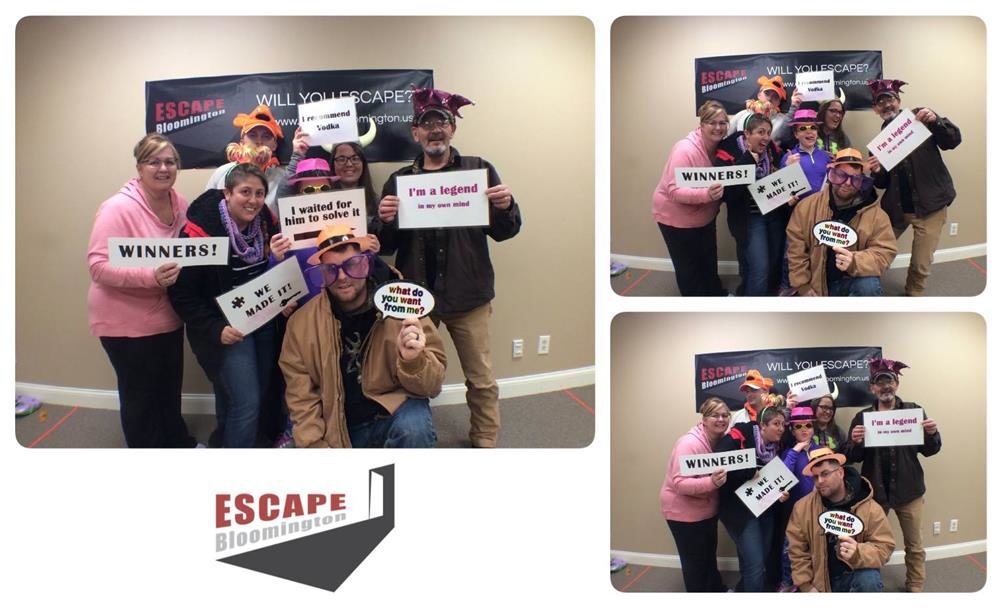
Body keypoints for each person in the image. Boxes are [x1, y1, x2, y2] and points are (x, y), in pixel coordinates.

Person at [374, 86, 521, 448]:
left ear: (452, 128)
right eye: (427, 124)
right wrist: (384, 221)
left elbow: (505, 232)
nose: (435, 129)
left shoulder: (479, 170)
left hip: (468, 294)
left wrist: (506, 207)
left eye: (442, 122)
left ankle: (485, 437)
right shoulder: (399, 181)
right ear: (416, 133)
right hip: (417, 299)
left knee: (480, 377)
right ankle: (415, 435)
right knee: (410, 368)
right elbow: (387, 246)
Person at [279, 224, 445, 448]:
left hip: (392, 414)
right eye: (331, 269)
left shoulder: (403, 305)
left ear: (366, 264)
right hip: (341, 426)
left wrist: (413, 362)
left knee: (414, 427)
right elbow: (301, 399)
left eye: (351, 265)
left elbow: (432, 387)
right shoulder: (301, 325)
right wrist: (315, 445)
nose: (342, 277)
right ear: (322, 273)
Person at [168, 163, 293, 448]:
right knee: (246, 402)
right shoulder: (200, 231)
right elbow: (182, 294)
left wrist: (283, 294)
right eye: (245, 192)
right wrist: (215, 329)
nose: (253, 200)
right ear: (227, 193)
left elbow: (270, 275)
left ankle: (224, 444)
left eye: (259, 193)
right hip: (226, 328)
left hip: (263, 321)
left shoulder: (266, 222)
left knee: (248, 394)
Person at [87, 133, 198, 448]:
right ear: (139, 167)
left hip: (167, 315)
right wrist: (150, 277)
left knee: (169, 389)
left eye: (170, 162)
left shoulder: (181, 204)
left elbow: (189, 251)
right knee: (141, 399)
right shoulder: (116, 208)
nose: (163, 168)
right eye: (154, 162)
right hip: (125, 320)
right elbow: (98, 266)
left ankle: (178, 443)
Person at [845, 357, 942, 592]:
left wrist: (932, 434)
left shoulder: (913, 411)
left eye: (889, 381)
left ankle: (915, 586)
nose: (885, 386)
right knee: (870, 543)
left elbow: (930, 451)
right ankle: (871, 585)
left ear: (897, 384)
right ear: (872, 387)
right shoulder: (862, 418)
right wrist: (855, 442)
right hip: (876, 494)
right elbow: (853, 457)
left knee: (915, 545)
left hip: (909, 491)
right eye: (880, 382)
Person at [864, 79, 962, 296]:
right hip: (897, 209)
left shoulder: (921, 119)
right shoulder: (879, 144)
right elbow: (882, 183)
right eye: (881, 102)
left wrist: (936, 121)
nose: (887, 105)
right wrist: (877, 171)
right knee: (875, 250)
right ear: (875, 109)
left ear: (898, 101)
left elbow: (952, 141)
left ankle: (913, 295)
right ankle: (865, 287)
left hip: (930, 207)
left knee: (920, 265)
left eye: (890, 99)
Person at [786, 148, 897, 296]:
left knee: (869, 286)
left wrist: (855, 261)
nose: (847, 183)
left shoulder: (877, 216)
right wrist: (802, 285)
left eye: (855, 178)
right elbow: (796, 252)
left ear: (861, 181)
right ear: (831, 174)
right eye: (841, 175)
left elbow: (884, 252)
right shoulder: (806, 207)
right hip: (817, 283)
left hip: (852, 281)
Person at [786, 447, 895, 592]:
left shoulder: (870, 508)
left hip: (855, 577)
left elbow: (884, 547)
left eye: (825, 474)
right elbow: (797, 551)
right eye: (815, 477)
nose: (819, 481)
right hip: (820, 582)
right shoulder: (802, 508)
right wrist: (807, 586)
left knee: (869, 579)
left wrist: (858, 551)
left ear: (840, 472)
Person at [651, 100, 730, 296]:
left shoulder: (723, 147)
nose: (718, 127)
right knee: (689, 269)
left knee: (708, 261)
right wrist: (706, 194)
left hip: (705, 216)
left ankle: (716, 295)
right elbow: (674, 190)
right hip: (676, 218)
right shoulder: (684, 149)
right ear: (701, 124)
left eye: (722, 122)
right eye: (712, 122)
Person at [715, 405, 791, 592]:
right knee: (756, 565)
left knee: (757, 560)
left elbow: (771, 479)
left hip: (764, 508)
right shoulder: (741, 433)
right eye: (776, 424)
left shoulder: (778, 446)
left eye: (783, 424)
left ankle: (743, 591)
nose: (781, 428)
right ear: (762, 425)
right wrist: (748, 472)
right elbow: (719, 460)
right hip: (738, 510)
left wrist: (780, 492)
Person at [659, 397, 731, 592]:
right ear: (704, 419)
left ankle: (716, 589)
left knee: (708, 557)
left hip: (706, 510)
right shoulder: (688, 443)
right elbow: (680, 483)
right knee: (695, 565)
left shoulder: (721, 441)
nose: (721, 419)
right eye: (715, 415)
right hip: (683, 513)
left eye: (725, 415)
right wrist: (712, 482)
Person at [716, 114, 788, 296]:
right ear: (747, 133)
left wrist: (789, 168)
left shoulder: (771, 149)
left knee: (773, 261)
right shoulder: (729, 150)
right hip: (750, 218)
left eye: (769, 133)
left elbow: (781, 178)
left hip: (773, 213)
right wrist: (748, 159)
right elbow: (727, 194)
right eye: (760, 132)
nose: (766, 137)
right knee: (759, 267)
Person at [206, 104, 295, 215]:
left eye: (266, 136)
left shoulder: (282, 178)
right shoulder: (222, 173)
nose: (259, 141)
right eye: (253, 135)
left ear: (274, 145)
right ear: (242, 141)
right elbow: (205, 211)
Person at [777, 406, 824, 591]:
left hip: (818, 509)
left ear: (813, 427)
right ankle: (788, 582)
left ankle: (812, 582)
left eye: (808, 425)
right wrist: (795, 451)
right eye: (798, 426)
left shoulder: (822, 450)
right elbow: (781, 478)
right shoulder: (788, 453)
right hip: (794, 511)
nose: (804, 430)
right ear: (792, 430)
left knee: (816, 547)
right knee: (790, 549)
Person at [728, 75, 803, 146]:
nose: (770, 98)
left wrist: (794, 106)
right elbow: (726, 137)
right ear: (759, 95)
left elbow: (788, 126)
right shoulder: (743, 114)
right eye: (767, 93)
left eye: (775, 97)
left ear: (779, 102)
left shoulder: (781, 120)